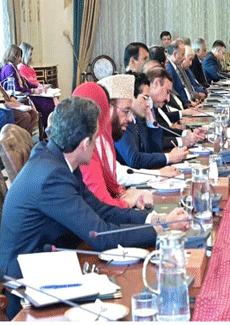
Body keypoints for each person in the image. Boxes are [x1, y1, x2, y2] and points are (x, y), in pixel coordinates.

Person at [0, 96, 189, 319]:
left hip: (54, 262)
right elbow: (99, 234)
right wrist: (160, 231)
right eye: (96, 139)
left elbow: (101, 210)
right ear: (84, 143)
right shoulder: (52, 176)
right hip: (28, 287)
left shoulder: (56, 159)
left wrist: (154, 220)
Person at [73, 78, 153, 209]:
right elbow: (100, 203)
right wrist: (127, 202)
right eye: (126, 111)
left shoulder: (104, 136)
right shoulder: (85, 146)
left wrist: (125, 194)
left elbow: (112, 180)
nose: (129, 118)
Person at [115, 72, 187, 169]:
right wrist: (169, 157)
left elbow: (153, 151)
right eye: (145, 98)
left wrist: (151, 123)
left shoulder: (137, 119)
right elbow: (134, 159)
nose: (148, 104)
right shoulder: (121, 121)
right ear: (131, 96)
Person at [0, 44, 55, 133]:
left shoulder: (13, 67)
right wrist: (33, 90)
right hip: (21, 96)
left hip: (24, 94)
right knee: (46, 103)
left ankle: (35, 134)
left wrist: (38, 87)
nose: (20, 58)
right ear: (15, 56)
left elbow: (26, 82)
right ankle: (44, 132)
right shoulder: (9, 68)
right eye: (19, 56)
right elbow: (17, 89)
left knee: (48, 102)